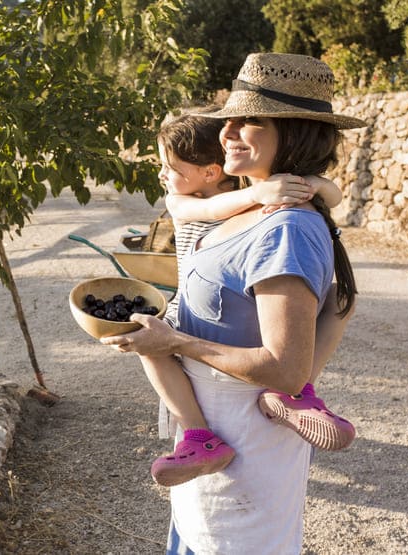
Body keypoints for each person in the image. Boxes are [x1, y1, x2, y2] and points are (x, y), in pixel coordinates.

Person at [101, 52, 367, 554]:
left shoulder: (285, 228)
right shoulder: (246, 211)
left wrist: (171, 340)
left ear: (293, 133)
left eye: (252, 121)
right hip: (217, 443)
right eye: (230, 119)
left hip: (245, 448)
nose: (230, 131)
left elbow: (285, 368)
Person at [144, 112, 354, 488]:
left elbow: (334, 195)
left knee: (344, 297)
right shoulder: (183, 201)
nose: (162, 175)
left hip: (235, 363)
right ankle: (197, 433)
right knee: (151, 345)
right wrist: (260, 193)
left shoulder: (279, 216)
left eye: (169, 166)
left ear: (209, 172)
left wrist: (312, 184)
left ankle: (297, 391)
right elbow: (210, 211)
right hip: (186, 303)